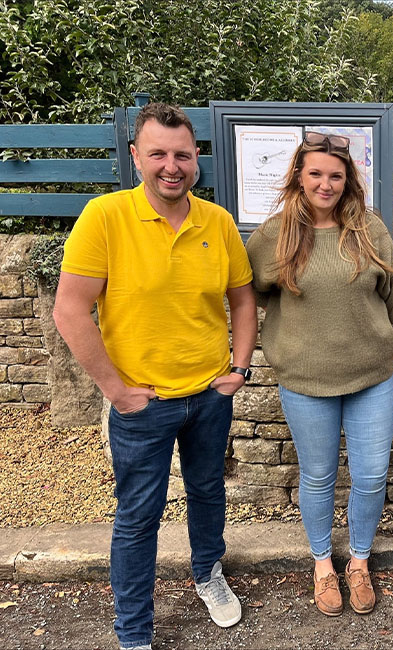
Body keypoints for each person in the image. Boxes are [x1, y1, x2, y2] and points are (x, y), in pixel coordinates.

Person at [53, 103, 256, 650]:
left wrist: (239, 367)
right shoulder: (105, 216)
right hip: (142, 404)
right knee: (138, 517)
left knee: (208, 492)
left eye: (183, 155)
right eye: (159, 154)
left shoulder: (216, 222)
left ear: (197, 160)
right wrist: (115, 390)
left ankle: (207, 575)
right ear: (136, 156)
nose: (172, 165)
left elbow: (242, 301)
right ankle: (135, 632)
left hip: (210, 394)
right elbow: (70, 311)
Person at [245, 131, 393, 617]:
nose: (326, 183)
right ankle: (323, 565)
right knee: (318, 477)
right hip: (305, 381)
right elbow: (244, 298)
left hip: (373, 378)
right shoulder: (273, 236)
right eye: (316, 173)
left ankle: (358, 562)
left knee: (369, 475)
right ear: (299, 174)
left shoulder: (370, 230)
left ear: (348, 180)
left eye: (335, 176)